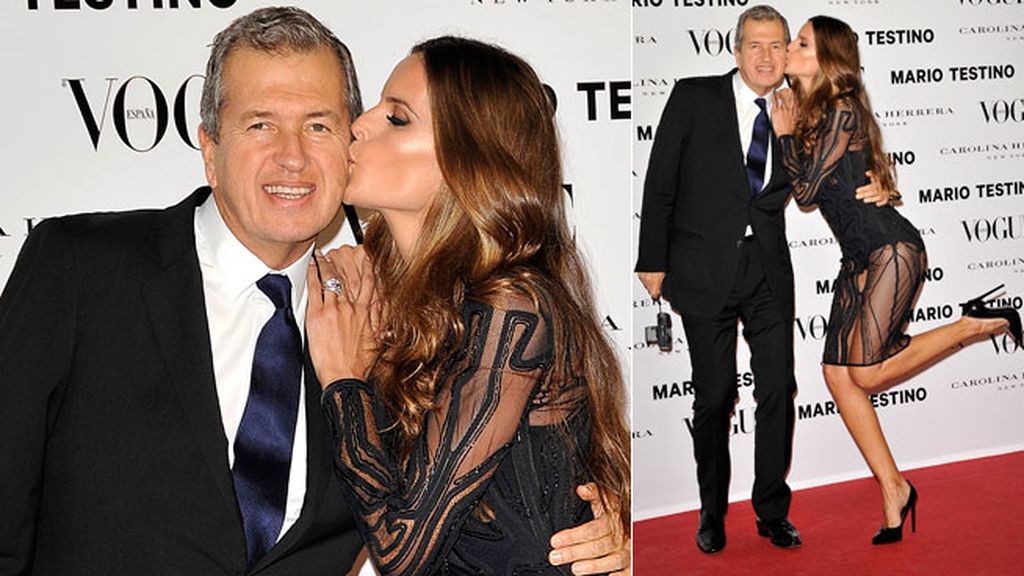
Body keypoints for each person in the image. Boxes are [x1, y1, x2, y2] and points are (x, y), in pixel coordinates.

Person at [0, 8, 626, 575]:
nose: (293, 157)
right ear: (209, 149)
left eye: (323, 125)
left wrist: (612, 537)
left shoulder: (391, 315)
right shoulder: (79, 268)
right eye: (260, 124)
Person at [303, 36, 631, 576]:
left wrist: (342, 377)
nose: (359, 124)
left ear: (468, 159)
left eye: (397, 118)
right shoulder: (385, 291)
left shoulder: (511, 309)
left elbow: (401, 553)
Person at [635, 4, 891, 555]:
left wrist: (880, 187)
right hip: (702, 271)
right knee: (714, 396)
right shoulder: (693, 96)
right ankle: (711, 512)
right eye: (756, 44)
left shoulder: (804, 109)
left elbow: (845, 162)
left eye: (779, 45)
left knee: (778, 390)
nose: (768, 55)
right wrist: (651, 260)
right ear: (736, 51)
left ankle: (772, 510)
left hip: (769, 272)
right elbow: (659, 184)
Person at [771, 15, 1021, 545]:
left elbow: (808, 193)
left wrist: (786, 133)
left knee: (861, 374)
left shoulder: (837, 110)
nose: (790, 48)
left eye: (800, 43)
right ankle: (894, 489)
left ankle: (977, 325)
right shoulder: (820, 113)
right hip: (861, 256)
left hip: (891, 250)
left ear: (825, 59)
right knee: (839, 378)